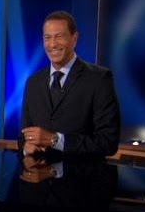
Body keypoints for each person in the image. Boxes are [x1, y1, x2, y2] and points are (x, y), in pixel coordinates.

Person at [20, 10, 120, 157]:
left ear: (74, 38)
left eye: (59, 36)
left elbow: (108, 142)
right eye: (47, 37)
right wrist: (25, 146)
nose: (53, 44)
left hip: (82, 171)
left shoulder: (99, 79)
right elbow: (23, 136)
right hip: (40, 170)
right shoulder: (33, 83)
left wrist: (55, 140)